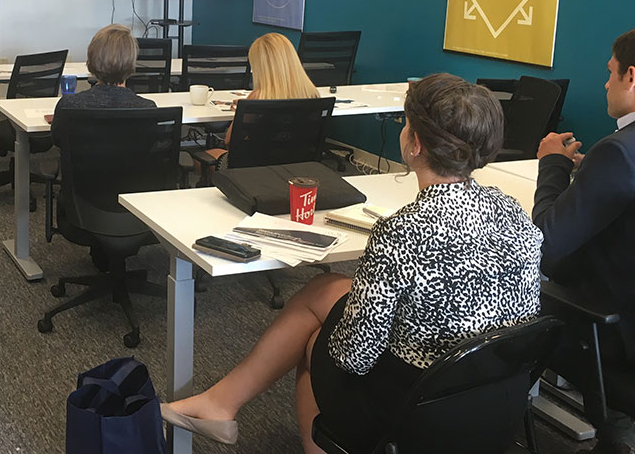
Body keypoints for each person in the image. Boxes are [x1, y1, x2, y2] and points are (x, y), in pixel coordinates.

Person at [163, 73, 543, 452]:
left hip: (416, 408)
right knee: (321, 289)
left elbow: (352, 357)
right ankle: (220, 404)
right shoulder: (513, 211)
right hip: (493, 399)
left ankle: (224, 405)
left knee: (314, 345)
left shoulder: (403, 232)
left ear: (416, 145)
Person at [533, 23, 635, 454]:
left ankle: (612, 435)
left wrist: (553, 165)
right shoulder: (630, 153)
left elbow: (546, 246)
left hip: (624, 341)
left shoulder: (621, 152)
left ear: (633, 77)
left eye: (610, 73)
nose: (605, 83)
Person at [208, 32, 319, 166]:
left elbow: (229, 142)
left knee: (210, 154)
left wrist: (242, 111)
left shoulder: (258, 97)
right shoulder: (312, 93)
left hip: (255, 167)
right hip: (300, 165)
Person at [50, 24, 155, 146]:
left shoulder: (68, 105)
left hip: (84, 165)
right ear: (132, 63)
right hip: (132, 165)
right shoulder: (148, 109)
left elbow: (58, 140)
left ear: (90, 59)